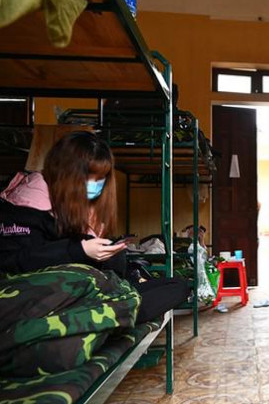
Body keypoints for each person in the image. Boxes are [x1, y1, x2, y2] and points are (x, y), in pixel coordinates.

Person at [0, 131, 189, 323]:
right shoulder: (26, 205)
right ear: (65, 172)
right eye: (89, 177)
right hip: (48, 297)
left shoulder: (74, 203)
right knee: (141, 300)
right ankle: (113, 314)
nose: (95, 185)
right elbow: (15, 263)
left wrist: (118, 261)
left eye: (101, 178)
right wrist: (80, 250)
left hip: (89, 288)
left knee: (178, 286)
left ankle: (118, 310)